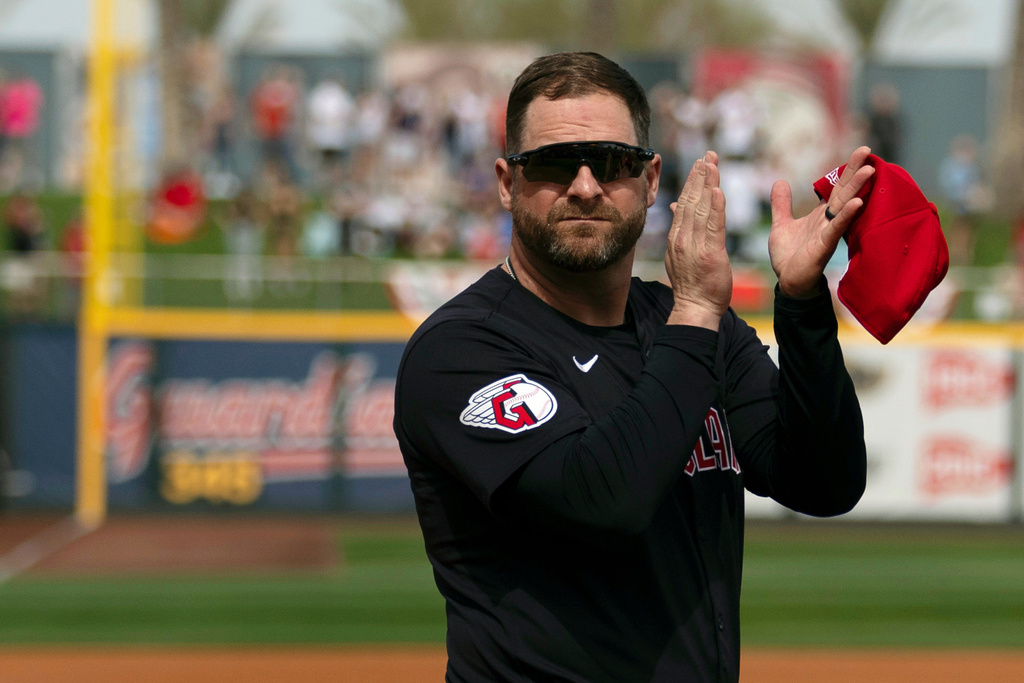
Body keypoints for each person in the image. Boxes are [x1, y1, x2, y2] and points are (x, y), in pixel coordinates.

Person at [394, 52, 871, 682]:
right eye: (556, 164)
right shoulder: (461, 350)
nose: (585, 186)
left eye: (612, 162)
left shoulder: (694, 328)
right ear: (507, 183)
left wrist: (804, 306)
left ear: (650, 181)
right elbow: (601, 500)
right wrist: (699, 308)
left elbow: (824, 482)